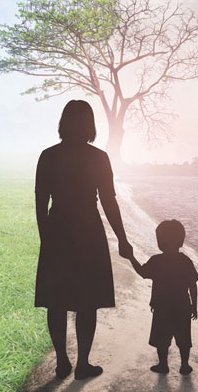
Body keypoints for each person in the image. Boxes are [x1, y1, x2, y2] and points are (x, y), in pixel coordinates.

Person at [34, 100, 134, 380]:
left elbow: (41, 202)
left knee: (56, 301)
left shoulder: (48, 155)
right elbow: (109, 201)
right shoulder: (98, 157)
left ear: (63, 123)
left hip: (57, 229)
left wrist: (46, 238)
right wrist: (122, 239)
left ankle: (63, 362)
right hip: (88, 231)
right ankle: (83, 364)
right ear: (90, 125)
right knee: (87, 301)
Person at [127, 219, 198, 375]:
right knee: (184, 338)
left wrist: (131, 257)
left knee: (162, 339)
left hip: (162, 307)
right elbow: (192, 285)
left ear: (161, 241)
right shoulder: (185, 261)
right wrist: (194, 306)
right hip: (182, 306)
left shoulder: (157, 260)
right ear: (181, 240)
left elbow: (142, 272)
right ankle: (185, 365)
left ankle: (163, 365)